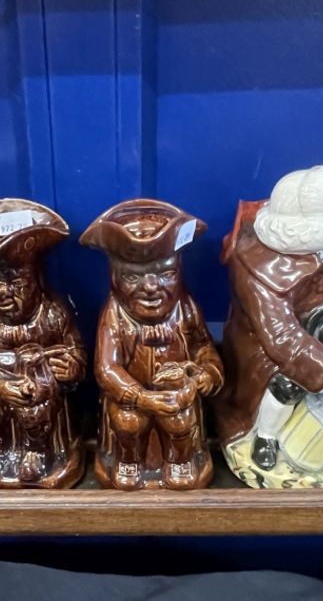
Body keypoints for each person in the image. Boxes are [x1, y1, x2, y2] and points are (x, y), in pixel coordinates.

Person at [215, 165, 323, 473]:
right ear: (318, 227)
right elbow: (281, 336)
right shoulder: (262, 268)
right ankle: (266, 437)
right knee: (287, 382)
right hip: (271, 355)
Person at [81, 199, 224, 490]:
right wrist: (141, 397)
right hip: (132, 401)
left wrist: (205, 374)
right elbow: (106, 368)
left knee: (180, 421)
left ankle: (181, 460)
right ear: (114, 277)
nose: (150, 286)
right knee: (128, 422)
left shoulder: (185, 308)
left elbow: (203, 347)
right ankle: (128, 460)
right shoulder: (114, 314)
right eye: (133, 276)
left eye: (165, 274)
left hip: (177, 397)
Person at [0, 199, 86, 487]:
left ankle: (38, 453)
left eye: (14, 282)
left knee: (34, 412)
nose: (1, 292)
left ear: (35, 279)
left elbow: (75, 351)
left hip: (38, 390)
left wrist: (70, 367)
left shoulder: (52, 311)